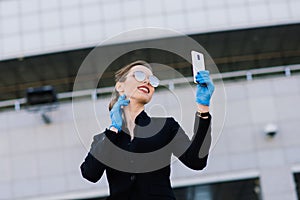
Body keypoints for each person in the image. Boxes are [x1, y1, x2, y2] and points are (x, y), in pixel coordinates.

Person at [80, 60, 215, 200]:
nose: (147, 81)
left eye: (152, 79)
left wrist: (203, 109)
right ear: (120, 86)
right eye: (138, 75)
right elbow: (90, 173)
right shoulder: (104, 139)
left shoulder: (166, 126)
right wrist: (114, 128)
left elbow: (196, 161)